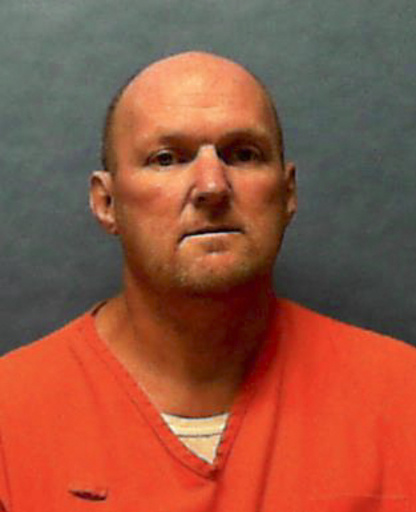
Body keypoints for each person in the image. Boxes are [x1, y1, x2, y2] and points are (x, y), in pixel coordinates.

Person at [0, 51, 415, 511]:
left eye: (243, 155)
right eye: (166, 159)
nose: (212, 186)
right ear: (107, 203)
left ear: (287, 192)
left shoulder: (403, 397)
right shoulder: (11, 416)